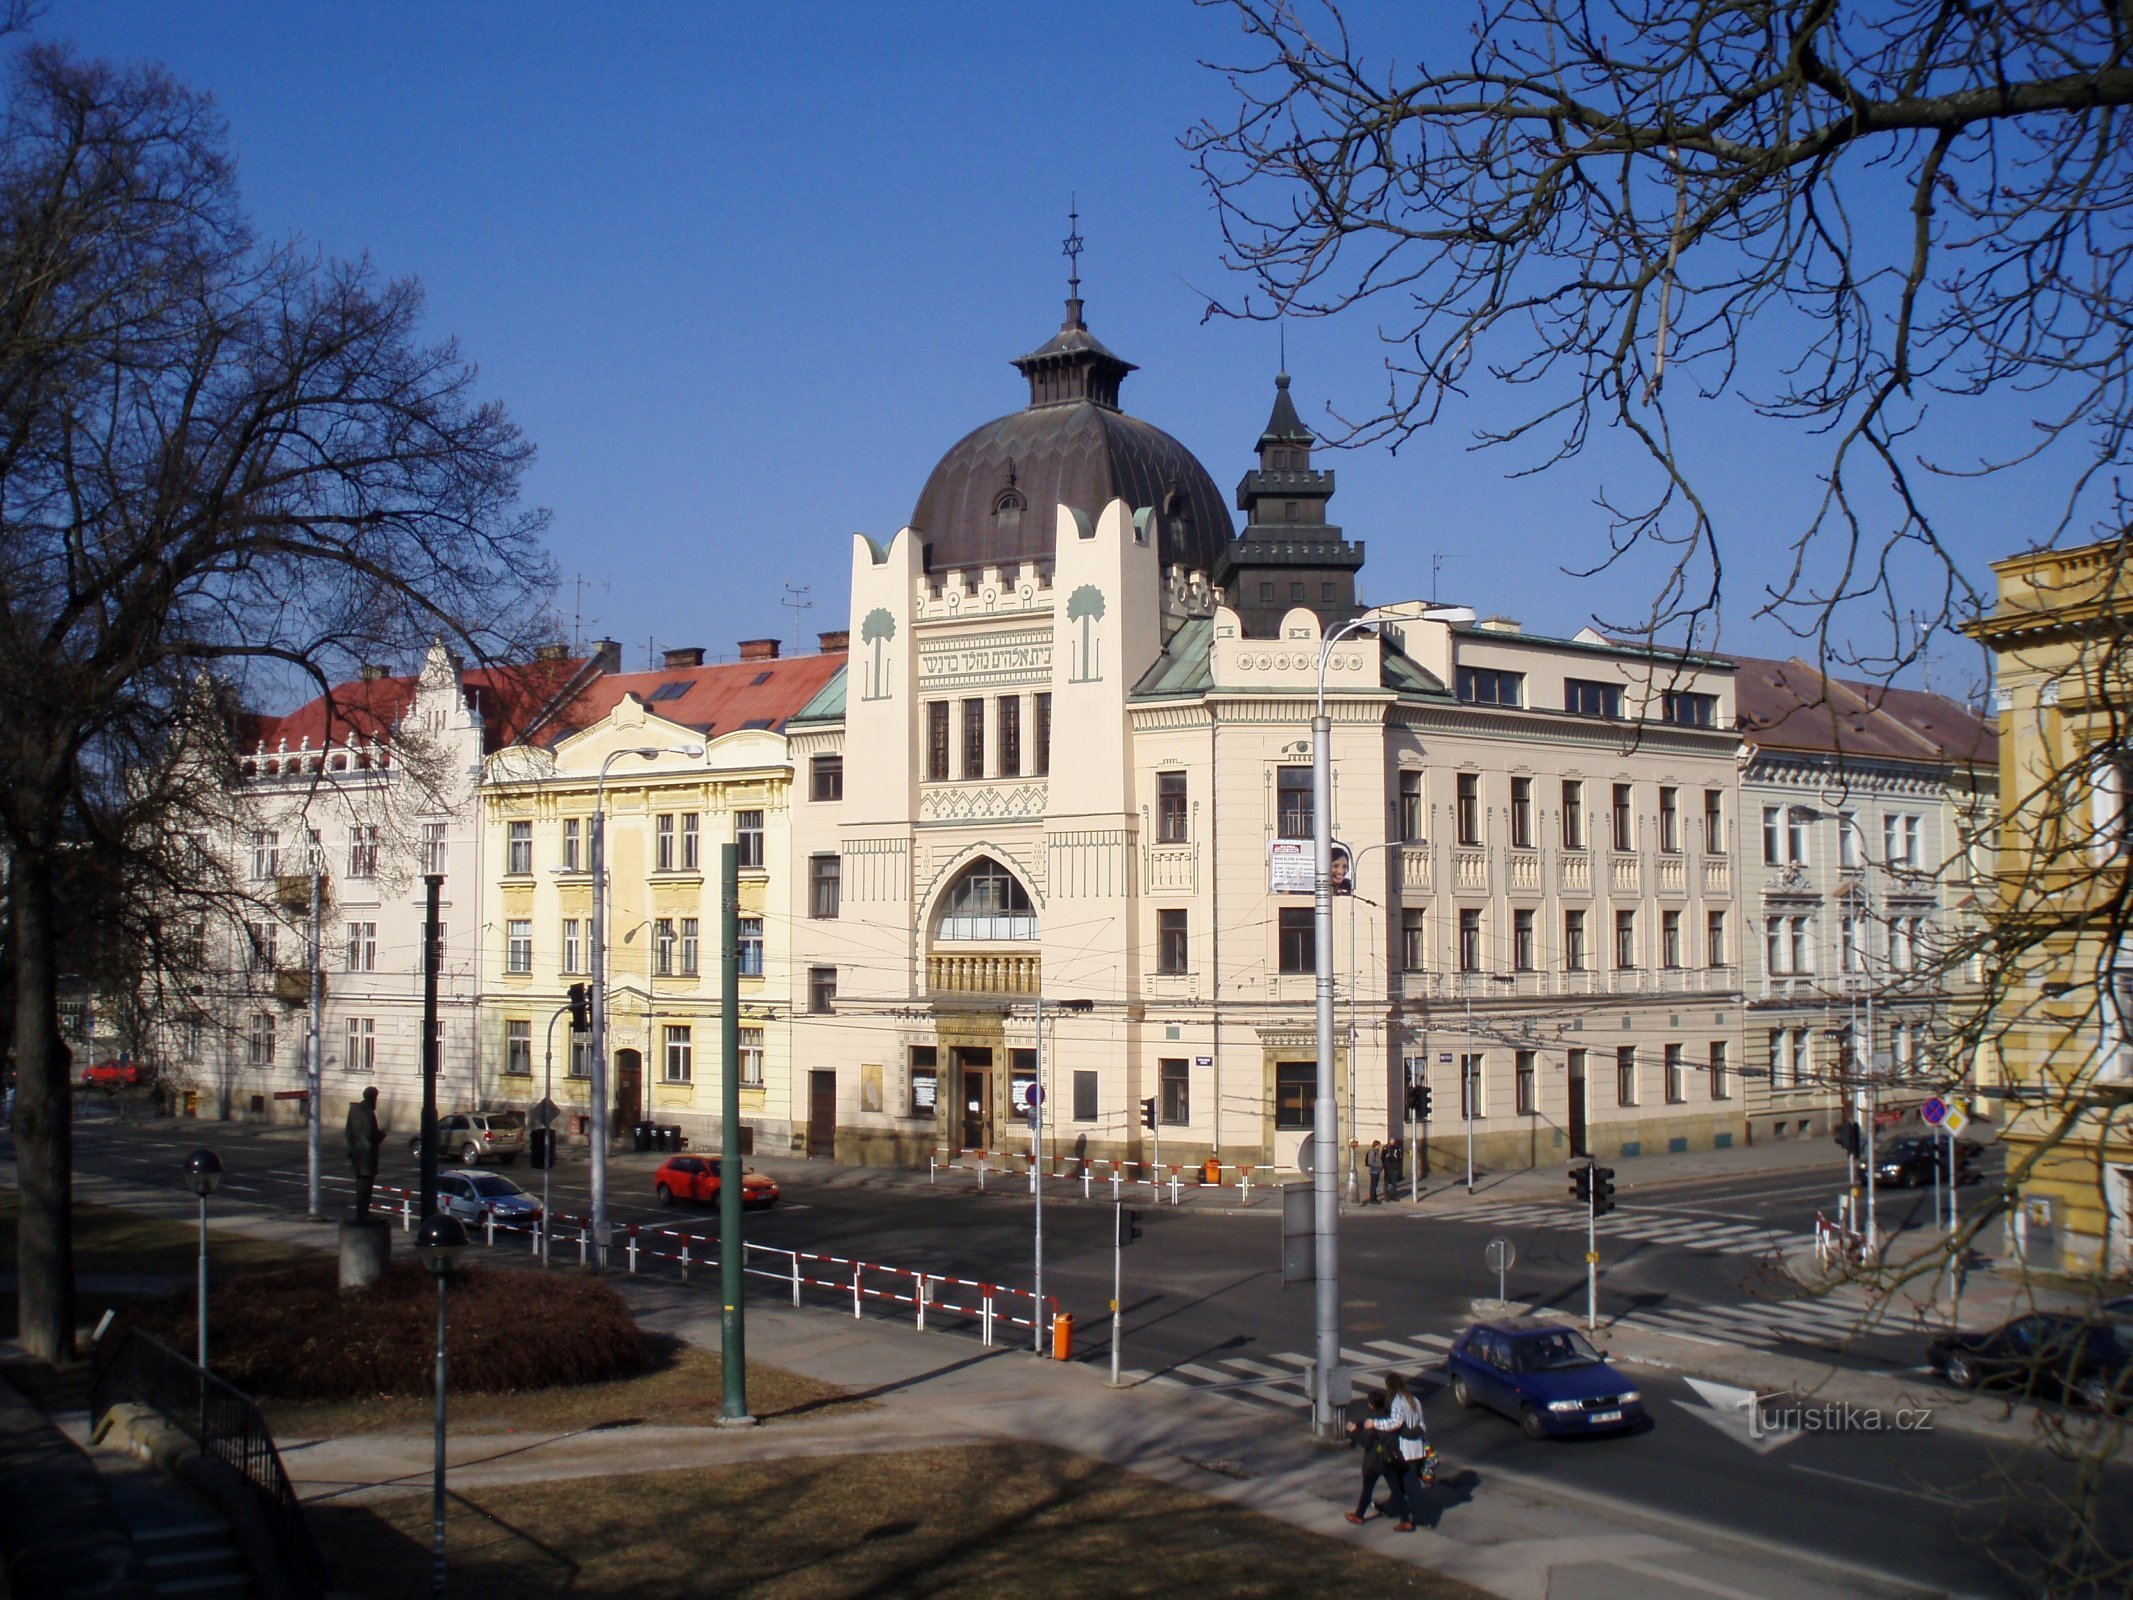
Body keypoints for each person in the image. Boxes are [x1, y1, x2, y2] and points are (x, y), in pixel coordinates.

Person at [1362, 1371, 1432, 1531]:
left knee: (1410, 1485)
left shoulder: (1397, 1402)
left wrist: (1375, 1423)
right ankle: (1390, 1509)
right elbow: (1421, 1423)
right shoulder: (1414, 1401)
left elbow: (1395, 1423)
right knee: (1399, 1483)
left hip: (1404, 1450)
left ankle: (1421, 1517)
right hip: (1417, 1448)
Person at [1344, 1387, 1397, 1524]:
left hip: (1374, 1461)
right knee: (1395, 1487)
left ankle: (1359, 1516)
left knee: (1367, 1490)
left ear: (1371, 1404)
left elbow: (1366, 1443)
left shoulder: (1371, 1421)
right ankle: (1395, 1510)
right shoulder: (1389, 1417)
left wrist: (1355, 1431)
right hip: (1388, 1459)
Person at [345, 1086, 385, 1219]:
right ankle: (364, 1212)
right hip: (367, 1156)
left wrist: (351, 1147)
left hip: (357, 1155)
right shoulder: (368, 1112)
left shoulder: (354, 1110)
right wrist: (381, 1136)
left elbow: (348, 1131)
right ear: (373, 1098)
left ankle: (360, 1212)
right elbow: (370, 1134)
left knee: (360, 1185)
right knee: (366, 1187)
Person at [1366, 1139, 1383, 1204]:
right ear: (1376, 1145)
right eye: (1379, 1145)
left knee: (1375, 1186)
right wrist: (1378, 1165)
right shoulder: (1372, 1152)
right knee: (1373, 1186)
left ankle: (1375, 1198)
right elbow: (1370, 1162)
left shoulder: (1376, 1151)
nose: (1379, 1146)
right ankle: (1372, 1199)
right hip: (1374, 1171)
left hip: (1377, 1170)